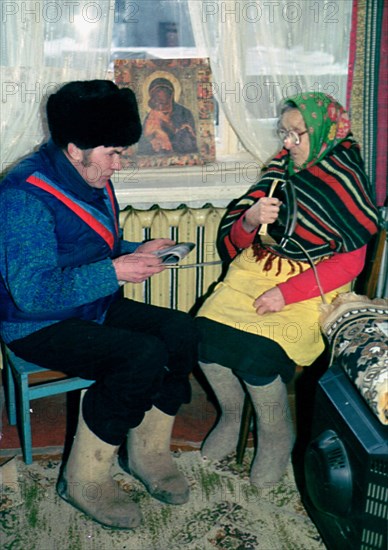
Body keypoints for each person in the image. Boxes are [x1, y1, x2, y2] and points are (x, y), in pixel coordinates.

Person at [0, 80, 199, 529]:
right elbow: (31, 293)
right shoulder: (22, 196)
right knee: (140, 355)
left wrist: (139, 249)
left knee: (182, 331)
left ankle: (147, 454)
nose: (119, 162)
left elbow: (87, 246)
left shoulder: (90, 173)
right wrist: (115, 272)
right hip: (37, 323)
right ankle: (84, 478)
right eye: (113, 152)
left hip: (92, 304)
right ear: (75, 148)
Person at [195, 92, 379, 487]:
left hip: (315, 283)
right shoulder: (279, 170)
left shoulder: (346, 179)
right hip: (258, 269)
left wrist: (285, 294)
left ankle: (276, 433)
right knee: (204, 339)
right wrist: (249, 218)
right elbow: (238, 241)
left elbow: (350, 263)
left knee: (257, 355)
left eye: (298, 135)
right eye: (284, 134)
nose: (288, 144)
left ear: (327, 132)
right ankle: (231, 413)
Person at [138, 77, 198, 155]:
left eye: (162, 94)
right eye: (156, 95)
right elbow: (143, 142)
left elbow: (190, 140)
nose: (159, 98)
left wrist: (171, 128)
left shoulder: (184, 113)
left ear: (170, 95)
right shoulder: (150, 116)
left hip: (180, 152)